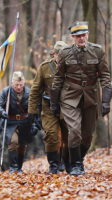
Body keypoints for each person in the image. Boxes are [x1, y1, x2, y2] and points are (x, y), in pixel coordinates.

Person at [50, 21, 112, 176]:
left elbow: (105, 75)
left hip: (91, 97)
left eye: (83, 35)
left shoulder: (97, 51)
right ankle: (77, 165)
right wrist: (54, 102)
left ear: (88, 35)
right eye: (78, 36)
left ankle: (71, 158)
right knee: (74, 131)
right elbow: (58, 77)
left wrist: (106, 101)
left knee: (87, 136)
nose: (81, 39)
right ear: (73, 37)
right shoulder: (65, 52)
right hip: (70, 96)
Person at [28, 41, 69, 174]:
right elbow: (35, 90)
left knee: (67, 135)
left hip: (68, 107)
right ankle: (53, 164)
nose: (62, 58)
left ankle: (65, 161)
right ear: (54, 54)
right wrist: (32, 112)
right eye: (59, 55)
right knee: (51, 135)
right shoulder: (44, 67)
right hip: (49, 107)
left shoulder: (72, 67)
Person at [0, 71, 39, 173]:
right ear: (12, 83)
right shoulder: (6, 92)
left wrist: (36, 124)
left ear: (23, 83)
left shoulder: (29, 92)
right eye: (16, 85)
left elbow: (35, 109)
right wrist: (2, 112)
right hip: (11, 122)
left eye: (20, 85)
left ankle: (19, 167)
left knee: (22, 146)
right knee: (13, 142)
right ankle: (13, 167)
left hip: (25, 122)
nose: (19, 87)